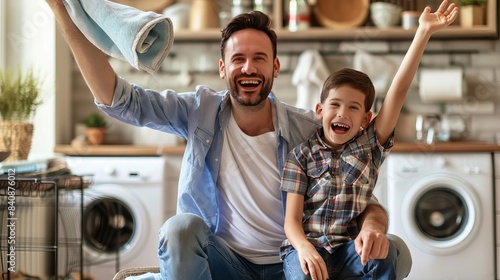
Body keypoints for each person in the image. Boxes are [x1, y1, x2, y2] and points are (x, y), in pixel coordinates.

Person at [44, 0, 414, 279]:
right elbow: (118, 100)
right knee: (180, 228)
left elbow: (366, 201)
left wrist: (372, 225)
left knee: (394, 251)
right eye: (238, 59)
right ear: (223, 68)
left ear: (275, 67)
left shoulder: (308, 129)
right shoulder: (198, 111)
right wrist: (63, 11)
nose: (249, 68)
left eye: (259, 58)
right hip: (224, 265)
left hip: (294, 264)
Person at [279, 2, 458, 280]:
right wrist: (303, 248)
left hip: (350, 251)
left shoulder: (370, 145)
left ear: (365, 118)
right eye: (335, 105)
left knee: (385, 255)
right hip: (306, 249)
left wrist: (423, 32)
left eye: (353, 108)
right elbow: (291, 220)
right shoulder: (301, 155)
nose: (342, 113)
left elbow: (398, 91)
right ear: (320, 111)